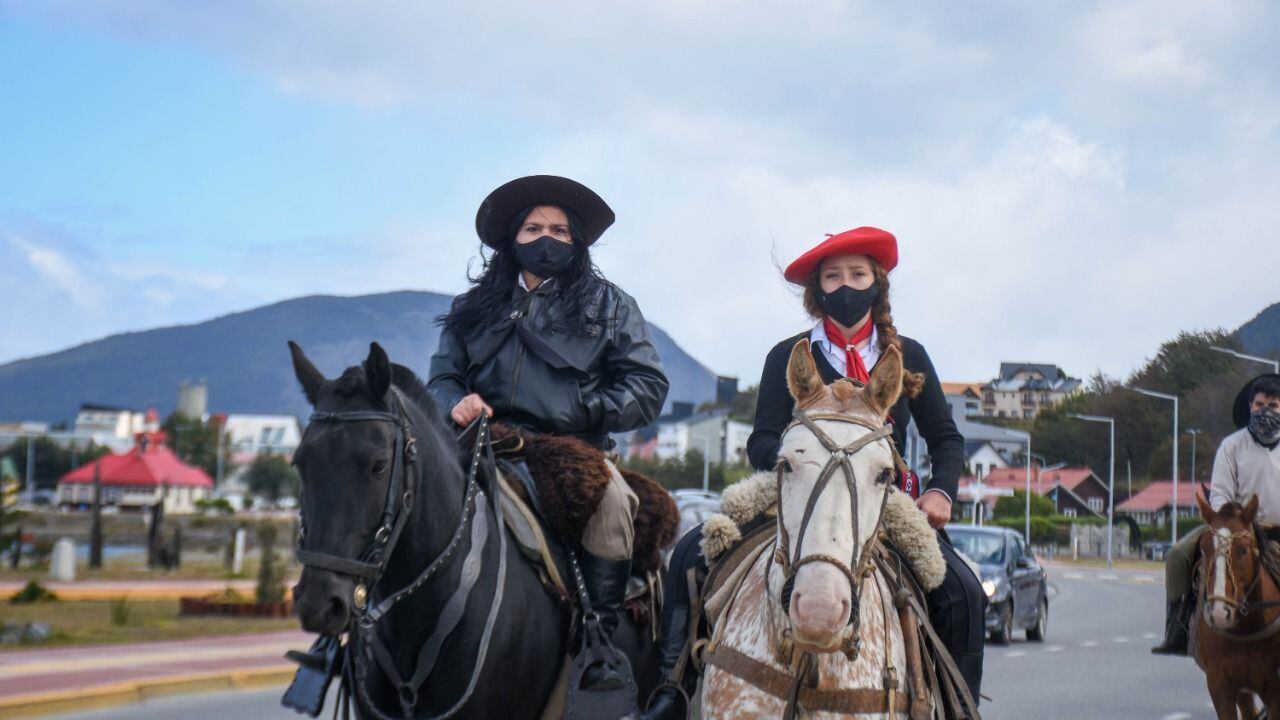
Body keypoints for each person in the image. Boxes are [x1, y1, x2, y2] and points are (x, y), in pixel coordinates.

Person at [638, 227, 984, 720]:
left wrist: (940, 492)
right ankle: (671, 689)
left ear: (877, 283)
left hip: (883, 499)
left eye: (857, 275)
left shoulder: (908, 355)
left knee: (963, 593)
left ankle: (959, 710)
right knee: (691, 553)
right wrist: (804, 455)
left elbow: (946, 439)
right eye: (834, 277)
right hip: (798, 491)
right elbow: (761, 439)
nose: (846, 286)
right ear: (817, 290)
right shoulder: (788, 354)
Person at [427, 174, 669, 687]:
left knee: (614, 505)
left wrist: (583, 407)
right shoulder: (471, 309)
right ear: (512, 239)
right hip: (482, 444)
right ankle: (355, 630)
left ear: (576, 241)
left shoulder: (611, 306)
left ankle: (599, 643)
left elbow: (647, 386)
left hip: (571, 450)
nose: (546, 238)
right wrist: (456, 401)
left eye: (559, 230)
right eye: (534, 227)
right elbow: (442, 378)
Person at [1151, 373, 1280, 655]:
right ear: (1250, 406)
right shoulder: (1232, 446)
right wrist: (1236, 520)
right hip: (1235, 529)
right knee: (1177, 555)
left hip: (1279, 531)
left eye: (1273, 405)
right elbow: (1220, 494)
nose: (1266, 411)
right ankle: (1178, 629)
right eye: (1260, 405)